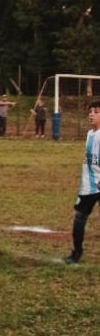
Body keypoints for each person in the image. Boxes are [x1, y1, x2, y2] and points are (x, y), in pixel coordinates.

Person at [64, 100, 100, 265]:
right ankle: (77, 252)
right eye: (90, 111)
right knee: (79, 217)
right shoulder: (90, 134)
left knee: (79, 218)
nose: (91, 114)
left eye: (96, 111)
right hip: (88, 186)